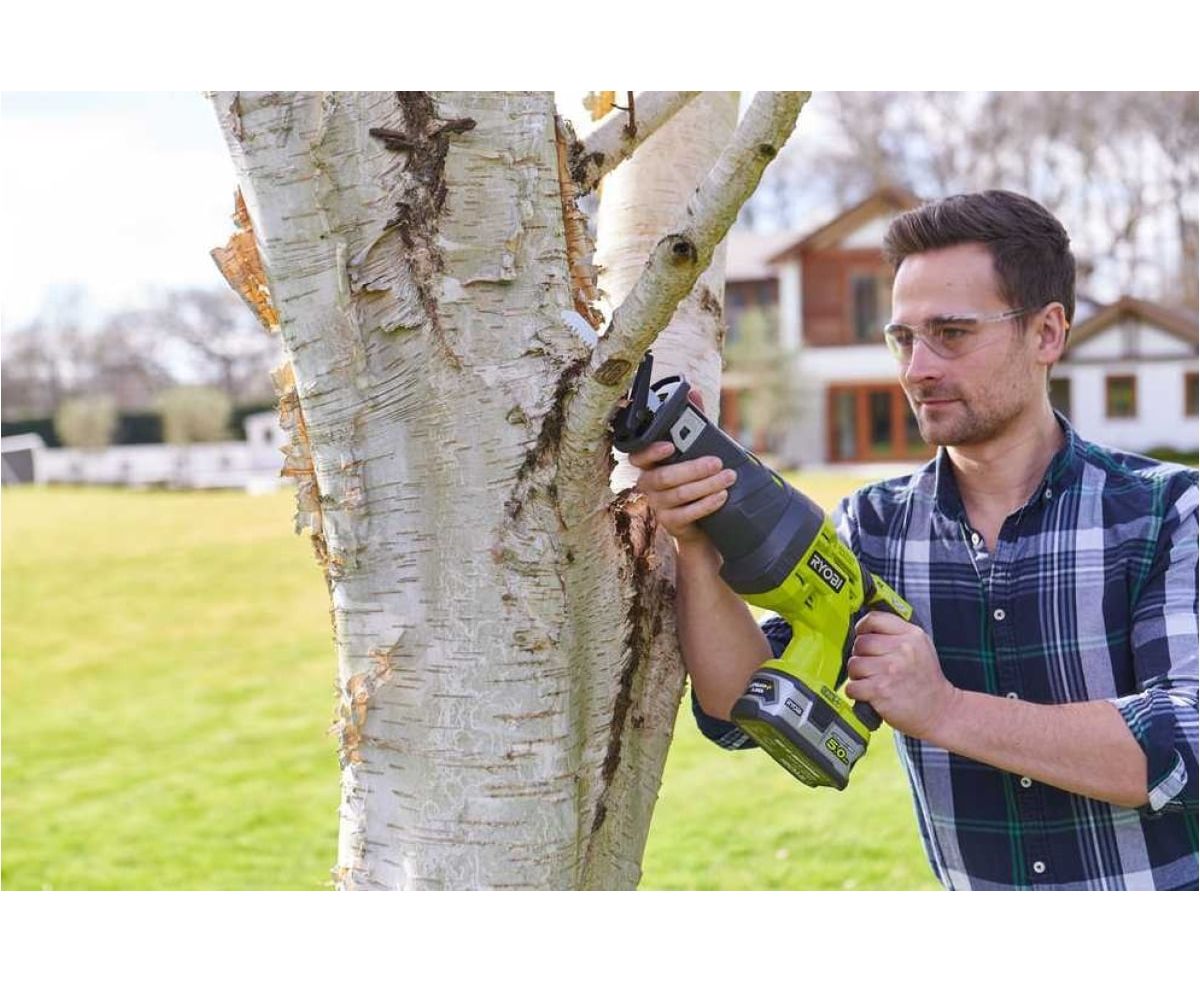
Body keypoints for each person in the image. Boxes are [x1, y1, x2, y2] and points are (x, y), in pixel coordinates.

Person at [628, 190, 1198, 890]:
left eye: (951, 333)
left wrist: (944, 709)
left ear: (1047, 334)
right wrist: (697, 544)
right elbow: (740, 709)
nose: (917, 368)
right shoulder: (872, 527)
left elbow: (1185, 745)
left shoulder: (1168, 511)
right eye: (903, 338)